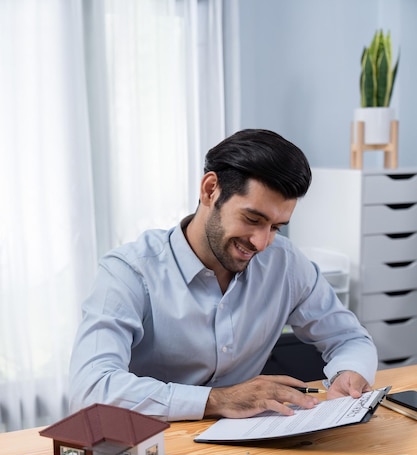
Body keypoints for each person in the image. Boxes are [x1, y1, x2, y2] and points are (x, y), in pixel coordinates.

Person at [69, 129, 377, 421]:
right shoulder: (129, 271)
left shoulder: (285, 262)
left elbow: (348, 337)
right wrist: (219, 400)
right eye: (252, 218)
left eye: (275, 227)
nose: (261, 242)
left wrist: (348, 372)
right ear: (210, 190)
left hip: (254, 449)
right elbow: (91, 388)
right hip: (157, 449)